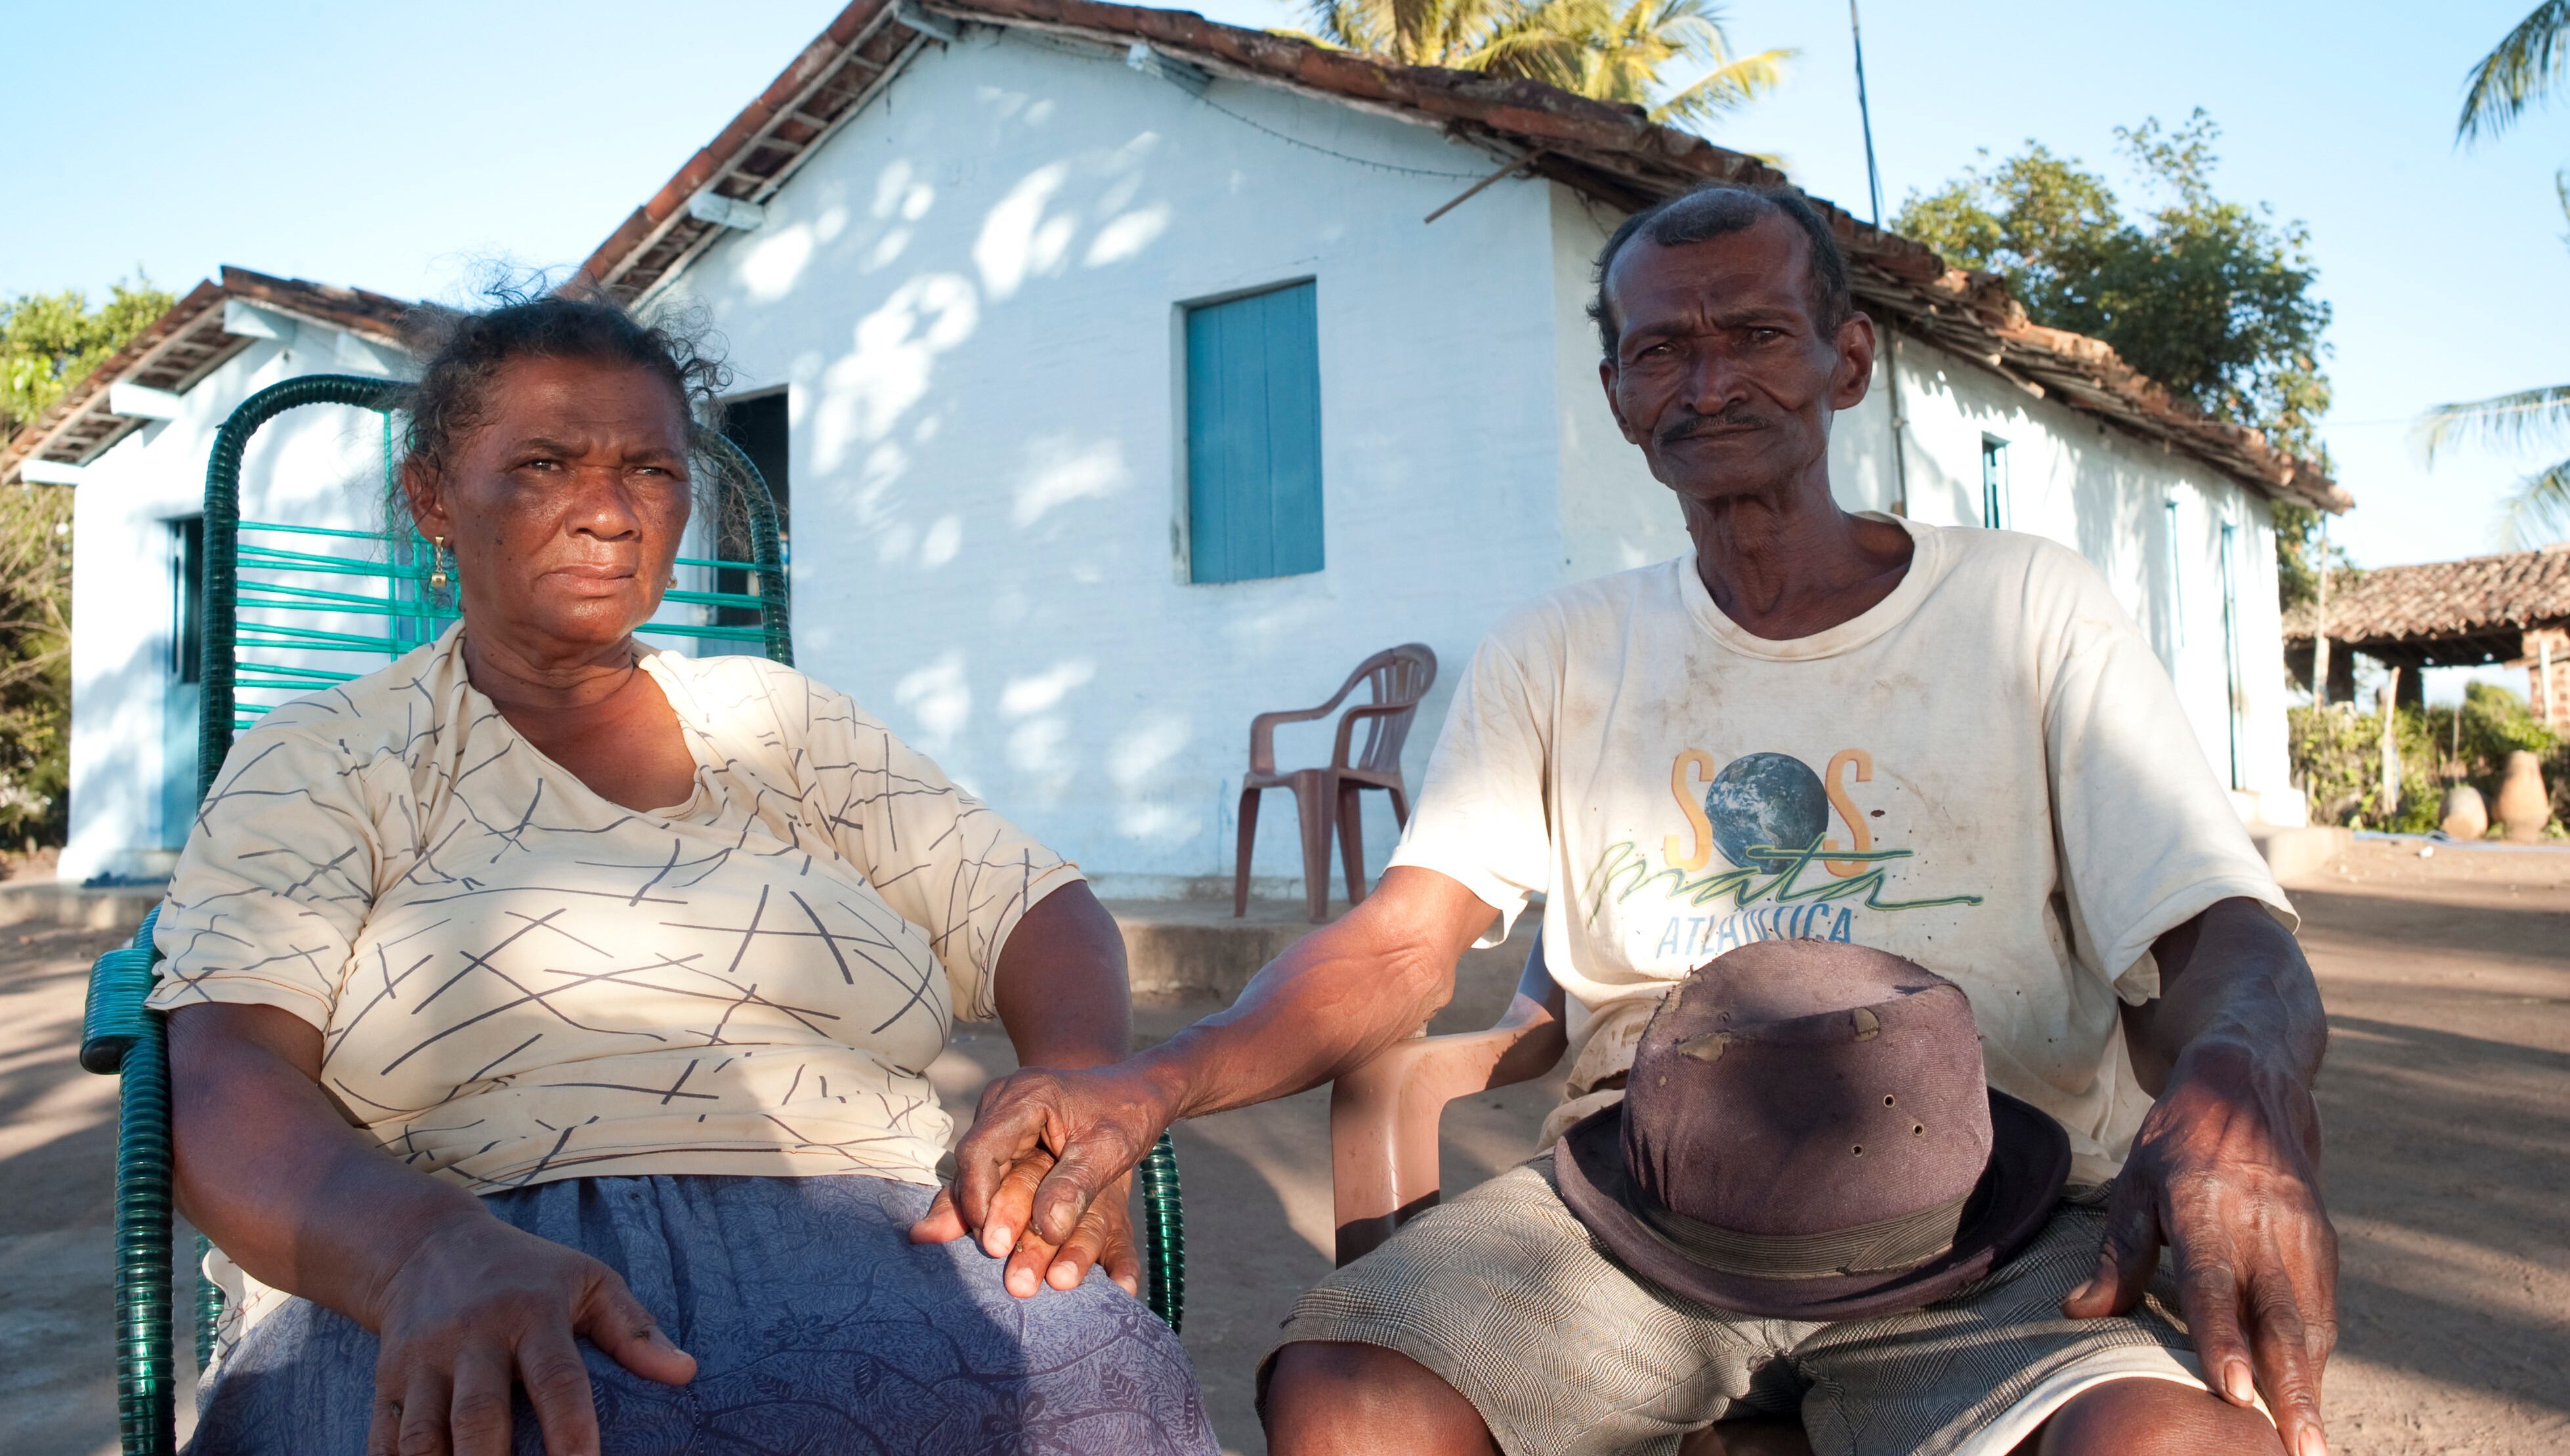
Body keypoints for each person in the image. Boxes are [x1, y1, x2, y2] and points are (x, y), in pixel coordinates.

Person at [923, 187, 2336, 1456]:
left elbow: (2220, 930)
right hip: (1633, 1224)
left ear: (1845, 362)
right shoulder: (1559, 647)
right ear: (1614, 393)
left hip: (1994, 1222)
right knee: (1349, 1398)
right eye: (1660, 349)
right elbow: (1404, 943)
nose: (1708, 381)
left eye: (1757, 335)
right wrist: (1154, 1080)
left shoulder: (2022, 607)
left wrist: (2237, 1078)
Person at [152, 292, 1215, 1456]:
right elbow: (226, 1073)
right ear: (432, 499)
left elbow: (1029, 903)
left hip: (881, 1223)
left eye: (653, 471)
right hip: (452, 1243)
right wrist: (419, 1251)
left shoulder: (781, 725)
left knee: (1102, 1381)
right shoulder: (326, 758)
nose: (609, 513)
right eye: (547, 463)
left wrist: (1069, 1083)